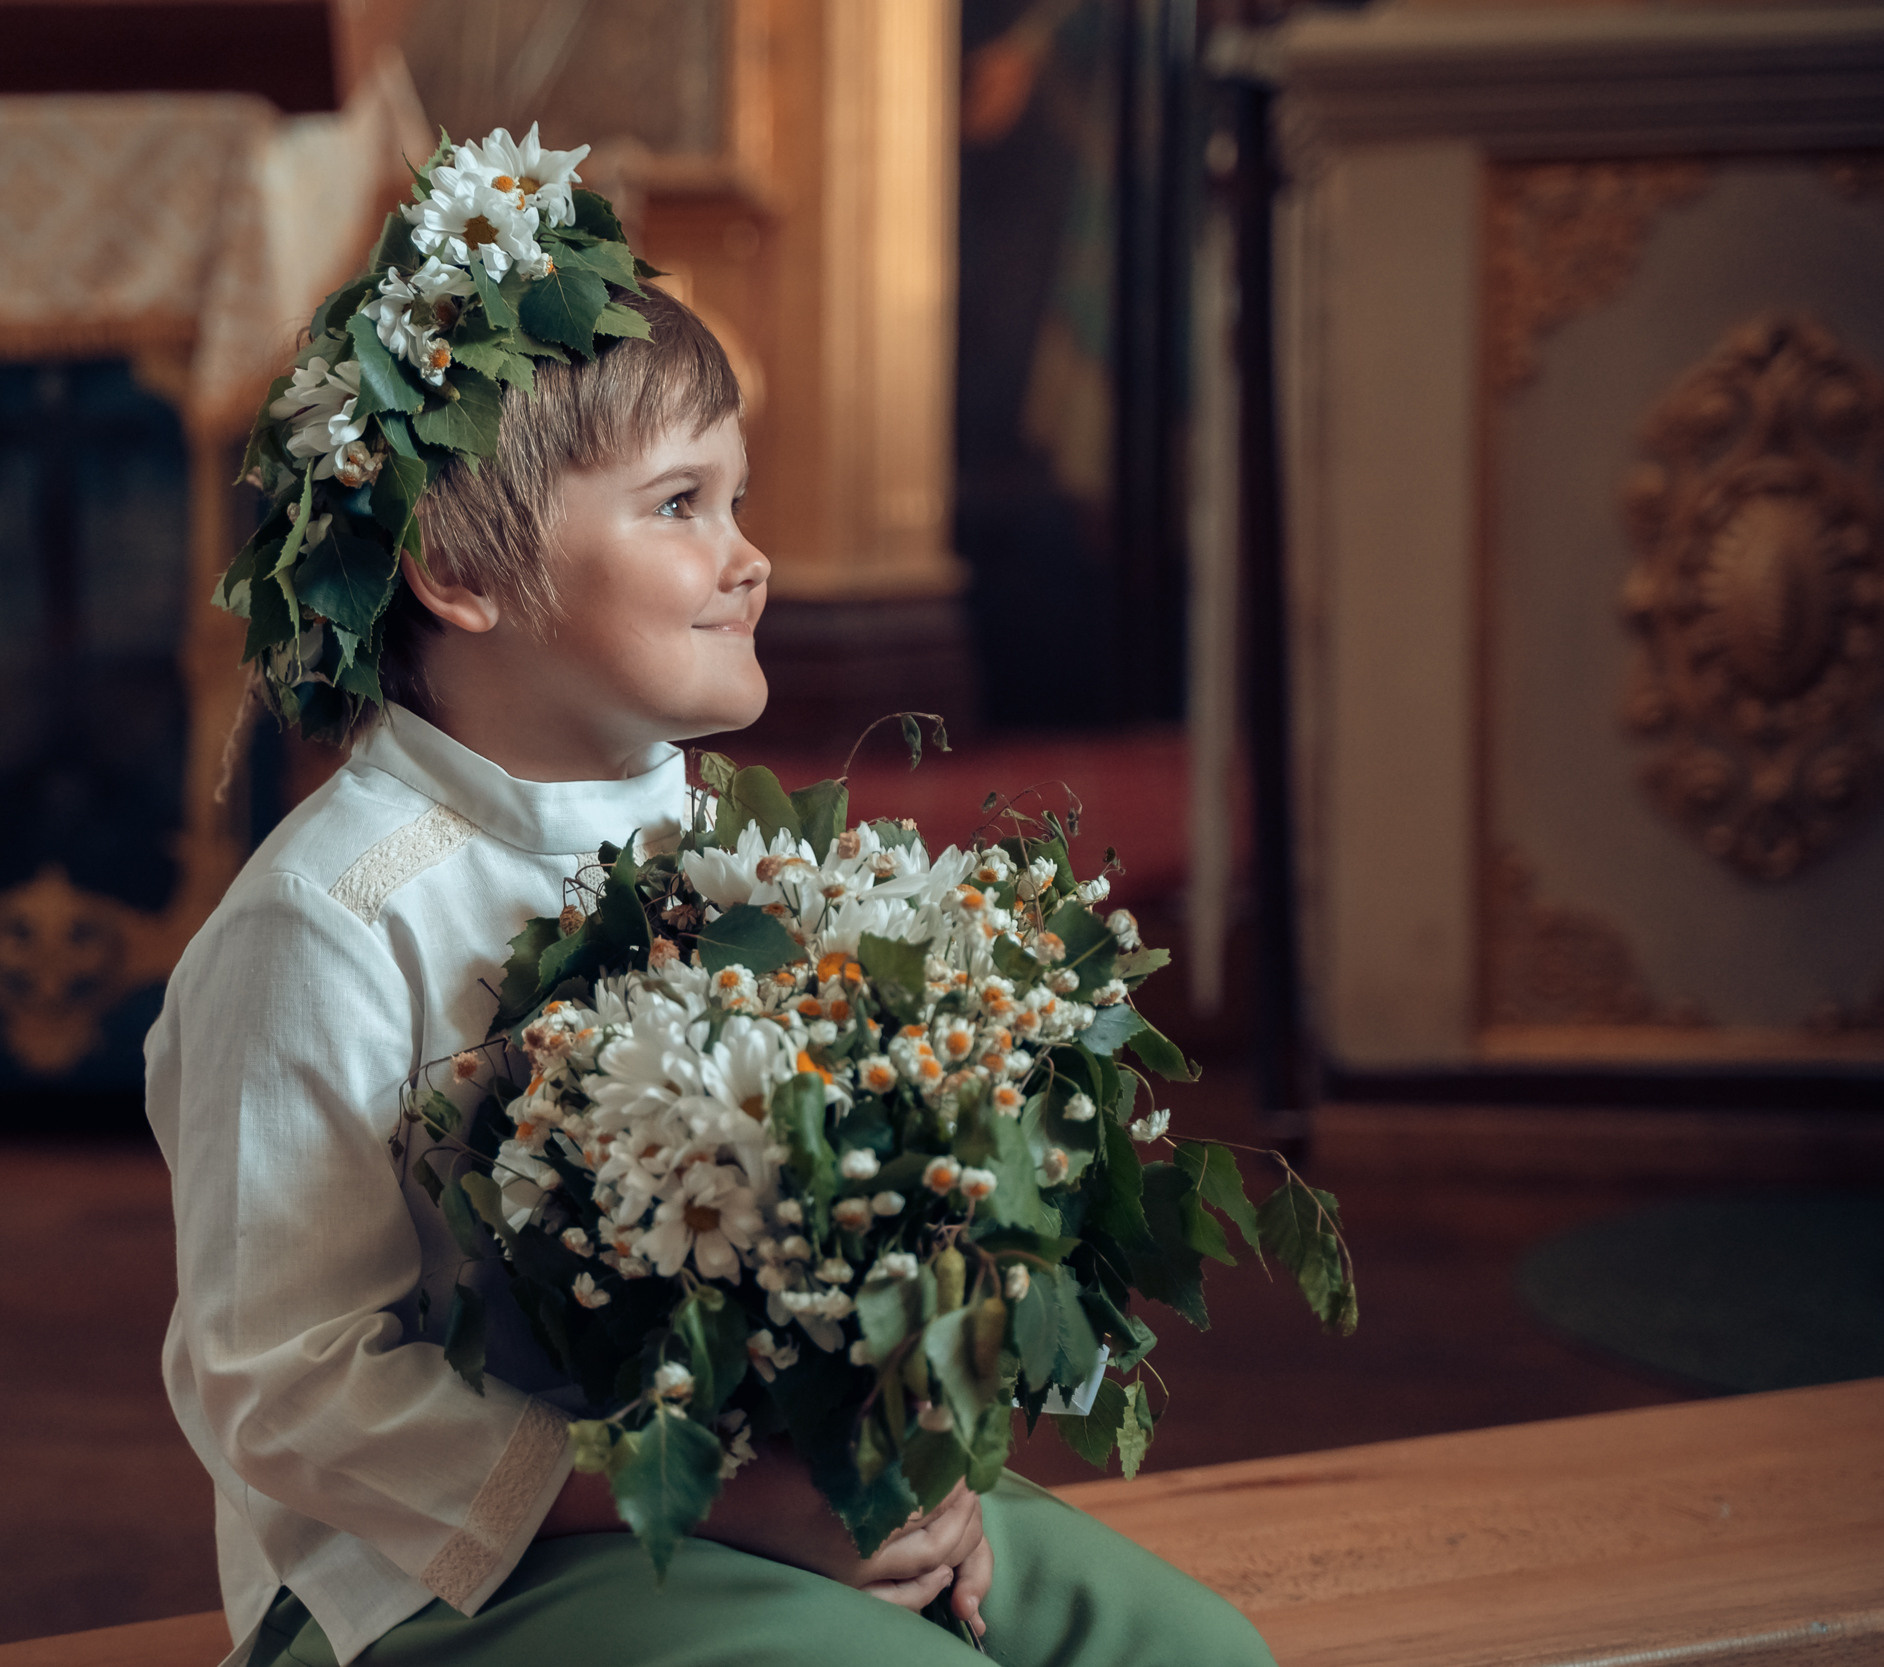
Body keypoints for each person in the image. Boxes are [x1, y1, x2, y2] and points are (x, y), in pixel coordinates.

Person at [144, 282, 1274, 1666]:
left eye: (737, 501)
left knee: (1192, 1652)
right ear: (461, 568)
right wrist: (719, 1504)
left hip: (756, 1492)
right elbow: (287, 1388)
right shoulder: (325, 922)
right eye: (681, 504)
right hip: (432, 1582)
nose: (751, 559)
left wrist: (903, 1458)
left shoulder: (725, 846)